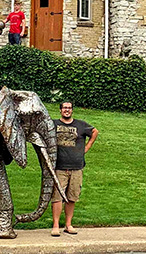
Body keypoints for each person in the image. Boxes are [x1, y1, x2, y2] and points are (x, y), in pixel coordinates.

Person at [51, 101, 99, 237]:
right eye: (65, 108)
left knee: (72, 197)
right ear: (60, 110)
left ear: (72, 110)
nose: (67, 110)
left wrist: (87, 147)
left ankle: (68, 225)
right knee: (57, 197)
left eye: (69, 108)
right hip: (59, 167)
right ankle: (55, 226)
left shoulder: (81, 125)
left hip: (77, 167)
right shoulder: (53, 124)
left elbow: (95, 132)